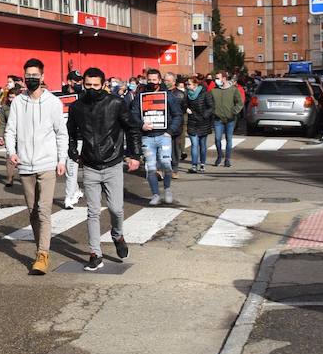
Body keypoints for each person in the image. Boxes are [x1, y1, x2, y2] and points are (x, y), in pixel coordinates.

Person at [67, 67, 142, 271]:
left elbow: (132, 128)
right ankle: (95, 253)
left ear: (104, 85)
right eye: (88, 85)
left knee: (116, 209)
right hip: (90, 165)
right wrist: (72, 151)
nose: (92, 89)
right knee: (92, 211)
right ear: (83, 84)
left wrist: (135, 155)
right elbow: (71, 132)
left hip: (113, 163)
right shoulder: (76, 107)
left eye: (96, 85)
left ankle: (117, 235)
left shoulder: (116, 103)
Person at [4, 59, 67, 275]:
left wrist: (62, 160)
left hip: (47, 164)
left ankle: (43, 254)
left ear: (42, 77)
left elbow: (61, 133)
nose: (31, 79)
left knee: (43, 211)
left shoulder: (53, 103)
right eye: (27, 75)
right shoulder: (18, 102)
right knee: (32, 212)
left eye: (34, 75)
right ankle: (40, 246)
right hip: (24, 165)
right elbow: (10, 130)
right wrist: (12, 152)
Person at [131, 68, 183, 206]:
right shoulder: (140, 97)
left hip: (164, 136)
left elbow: (178, 115)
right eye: (149, 80)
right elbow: (133, 114)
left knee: (166, 164)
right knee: (151, 167)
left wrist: (170, 131)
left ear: (159, 80)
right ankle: (155, 194)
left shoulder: (168, 96)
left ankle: (167, 190)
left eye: (155, 80)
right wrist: (141, 125)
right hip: (147, 137)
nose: (152, 82)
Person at [208, 71, 243, 167]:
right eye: (216, 78)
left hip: (230, 119)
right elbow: (209, 103)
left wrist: (234, 112)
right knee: (217, 139)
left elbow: (239, 103)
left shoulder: (233, 89)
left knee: (229, 139)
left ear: (224, 78)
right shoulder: (214, 91)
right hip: (217, 119)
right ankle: (219, 156)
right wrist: (212, 112)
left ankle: (227, 159)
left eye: (218, 78)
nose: (216, 80)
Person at [184, 76, 215, 172]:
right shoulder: (187, 94)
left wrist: (205, 116)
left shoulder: (206, 93)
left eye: (189, 84)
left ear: (195, 84)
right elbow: (183, 104)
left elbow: (211, 107)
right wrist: (186, 108)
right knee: (194, 144)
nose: (187, 86)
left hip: (203, 122)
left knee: (202, 144)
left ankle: (202, 164)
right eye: (187, 84)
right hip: (192, 122)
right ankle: (194, 166)